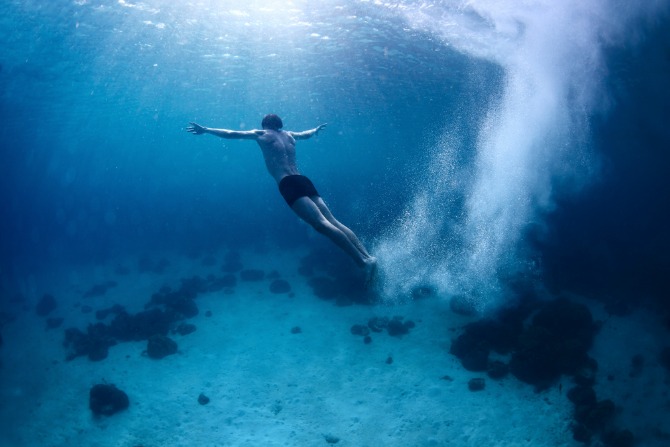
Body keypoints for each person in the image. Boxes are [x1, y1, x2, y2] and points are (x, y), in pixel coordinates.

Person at [186, 114, 377, 283]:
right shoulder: (289, 135)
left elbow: (231, 133)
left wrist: (206, 130)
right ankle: (367, 255)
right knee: (333, 220)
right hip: (303, 179)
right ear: (279, 124)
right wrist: (315, 130)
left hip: (288, 182)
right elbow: (306, 134)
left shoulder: (261, 134)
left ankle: (362, 262)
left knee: (320, 224)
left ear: (264, 125)